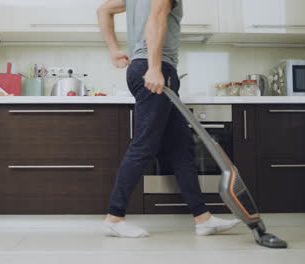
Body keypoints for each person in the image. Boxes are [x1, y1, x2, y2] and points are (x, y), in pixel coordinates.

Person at [97, 0, 241, 238]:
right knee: (144, 145)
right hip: (155, 67)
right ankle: (114, 217)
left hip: (148, 66)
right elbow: (157, 17)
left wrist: (114, 50)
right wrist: (154, 67)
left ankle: (202, 218)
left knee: (180, 147)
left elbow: (104, 10)